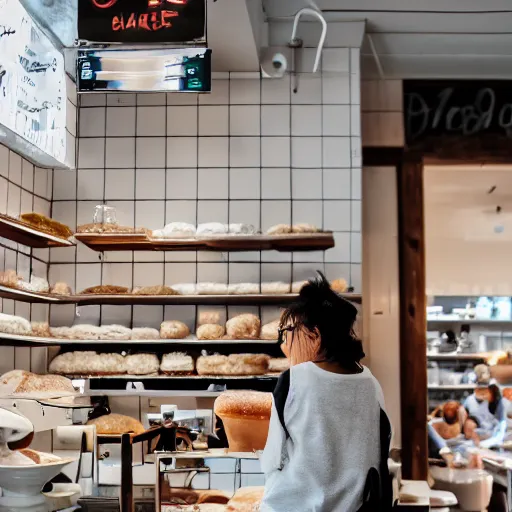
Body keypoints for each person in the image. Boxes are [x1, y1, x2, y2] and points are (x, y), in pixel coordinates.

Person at [260, 273, 391, 512]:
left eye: (287, 332)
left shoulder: (294, 381)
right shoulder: (371, 383)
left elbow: (272, 460)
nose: (283, 344)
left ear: (314, 335)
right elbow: (380, 450)